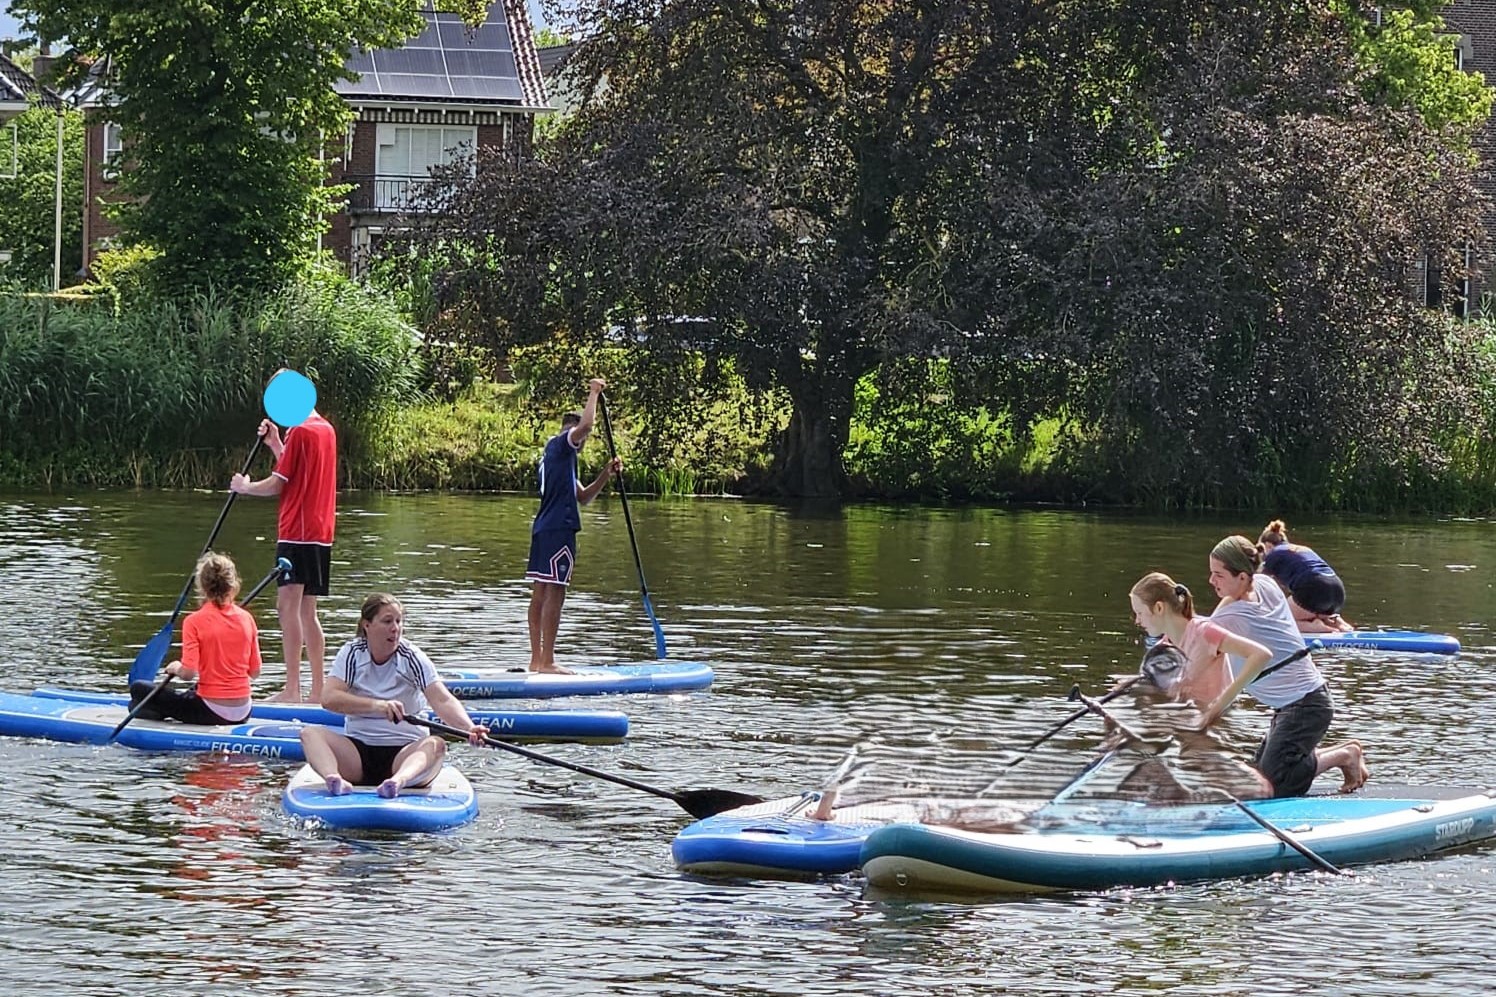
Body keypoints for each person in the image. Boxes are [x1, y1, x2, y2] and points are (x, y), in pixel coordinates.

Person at [1200, 536, 1369, 796]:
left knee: (1275, 784)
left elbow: (1202, 634)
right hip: (1303, 702)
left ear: (1242, 577)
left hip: (1306, 706)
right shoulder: (1265, 584)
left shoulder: (1233, 617)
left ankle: (1344, 755)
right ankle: (1342, 753)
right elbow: (1221, 614)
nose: (1211, 581)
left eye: (1218, 575)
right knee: (1260, 776)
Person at [301, 593, 486, 798]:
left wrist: (468, 728)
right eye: (387, 621)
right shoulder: (352, 654)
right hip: (357, 754)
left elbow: (442, 700)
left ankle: (397, 782)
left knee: (436, 744)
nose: (395, 628)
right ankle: (334, 778)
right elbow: (329, 698)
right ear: (367, 625)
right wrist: (378, 706)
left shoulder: (412, 657)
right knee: (310, 734)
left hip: (406, 753)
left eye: (399, 621)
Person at [230, 386, 337, 703]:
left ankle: (292, 690)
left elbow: (278, 484)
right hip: (320, 532)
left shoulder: (301, 431)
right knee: (307, 612)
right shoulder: (325, 429)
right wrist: (276, 444)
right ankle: (317, 690)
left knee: (286, 607)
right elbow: (296, 472)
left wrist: (246, 487)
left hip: (296, 532)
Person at [525, 376, 622, 673]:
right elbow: (587, 425)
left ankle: (537, 660)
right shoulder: (562, 444)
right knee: (556, 590)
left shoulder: (555, 456)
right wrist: (594, 392)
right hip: (559, 529)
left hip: (544, 528)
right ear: (571, 433)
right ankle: (547, 661)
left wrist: (606, 474)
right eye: (580, 439)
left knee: (542, 590)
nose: (583, 443)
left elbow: (583, 497)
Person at [128, 552, 262, 725]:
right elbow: (255, 672)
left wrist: (176, 667)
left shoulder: (194, 621)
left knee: (138, 689)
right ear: (233, 584)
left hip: (211, 711)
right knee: (192, 690)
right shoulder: (247, 618)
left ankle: (152, 711)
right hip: (244, 711)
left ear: (202, 586)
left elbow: (188, 673)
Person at [1257, 519, 1353, 633]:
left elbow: (1257, 583)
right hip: (1338, 592)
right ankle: (1336, 622)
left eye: (1260, 549)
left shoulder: (1272, 555)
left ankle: (1317, 628)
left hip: (1314, 589)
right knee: (1309, 608)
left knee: (1279, 621)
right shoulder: (1302, 549)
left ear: (1267, 546)